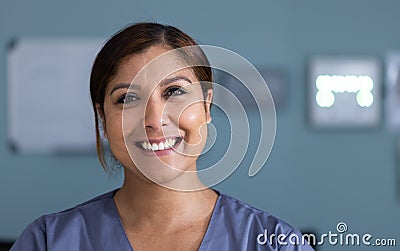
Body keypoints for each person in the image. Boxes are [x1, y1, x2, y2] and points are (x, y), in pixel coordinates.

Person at [11, 22, 314, 250]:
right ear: (103, 119)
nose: (154, 120)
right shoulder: (48, 241)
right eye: (127, 98)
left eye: (175, 92)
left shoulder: (275, 242)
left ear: (206, 107)